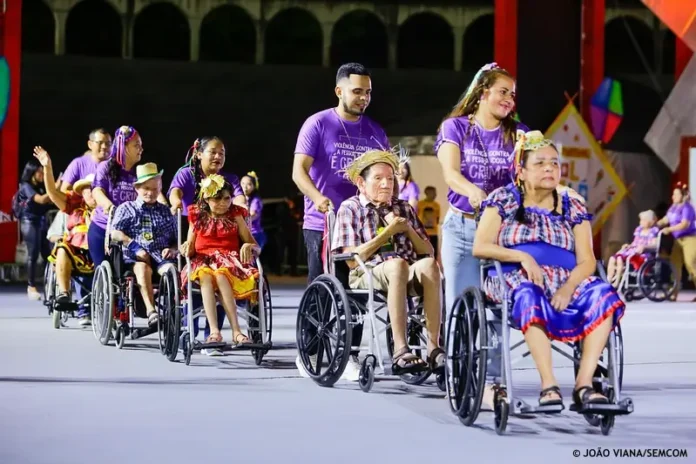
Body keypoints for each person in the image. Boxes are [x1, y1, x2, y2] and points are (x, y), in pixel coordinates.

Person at [473, 130, 625, 408]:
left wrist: (568, 288)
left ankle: (584, 385)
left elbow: (587, 260)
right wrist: (522, 257)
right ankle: (549, 386)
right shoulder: (503, 199)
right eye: (540, 163)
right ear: (521, 171)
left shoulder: (572, 204)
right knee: (529, 293)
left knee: (604, 294)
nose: (549, 168)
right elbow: (480, 246)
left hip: (566, 279)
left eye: (554, 163)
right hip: (513, 276)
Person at [292, 62, 390, 380]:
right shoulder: (318, 124)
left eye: (368, 92)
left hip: (362, 225)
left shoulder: (375, 131)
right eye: (357, 91)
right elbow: (298, 172)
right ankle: (309, 350)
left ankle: (349, 355)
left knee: (357, 290)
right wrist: (318, 198)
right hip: (323, 222)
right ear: (339, 91)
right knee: (322, 288)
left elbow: (386, 174)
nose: (364, 98)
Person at [332, 149, 445, 374]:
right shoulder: (350, 208)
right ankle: (400, 350)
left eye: (391, 179)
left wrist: (406, 227)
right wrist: (387, 233)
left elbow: (427, 250)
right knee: (397, 265)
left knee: (430, 265)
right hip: (366, 272)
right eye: (378, 178)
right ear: (361, 183)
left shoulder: (403, 207)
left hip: (405, 270)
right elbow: (352, 260)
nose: (386, 184)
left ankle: (434, 348)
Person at [168, 137, 244, 352]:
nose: (218, 156)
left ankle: (214, 335)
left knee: (222, 275)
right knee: (200, 278)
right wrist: (176, 201)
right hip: (192, 227)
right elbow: (175, 191)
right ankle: (190, 332)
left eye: (222, 153)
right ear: (199, 154)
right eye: (213, 152)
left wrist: (241, 207)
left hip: (222, 231)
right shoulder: (187, 174)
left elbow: (239, 197)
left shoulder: (229, 178)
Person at [180, 174, 259, 347]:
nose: (223, 203)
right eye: (217, 199)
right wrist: (186, 246)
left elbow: (255, 245)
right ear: (206, 199)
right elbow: (190, 247)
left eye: (227, 198)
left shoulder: (236, 215)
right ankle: (214, 332)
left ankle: (237, 332)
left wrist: (248, 246)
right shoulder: (197, 215)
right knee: (206, 276)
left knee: (222, 275)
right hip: (202, 261)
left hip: (228, 261)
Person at [34, 146, 96, 325]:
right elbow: (53, 194)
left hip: (99, 250)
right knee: (62, 247)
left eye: (95, 189)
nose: (91, 192)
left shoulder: (105, 208)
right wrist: (47, 167)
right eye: (87, 189)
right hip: (76, 251)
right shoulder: (74, 204)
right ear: (82, 192)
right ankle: (64, 293)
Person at [111, 163, 178, 326]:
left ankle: (175, 313)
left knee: (172, 271)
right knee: (143, 269)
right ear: (137, 188)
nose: (151, 193)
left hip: (160, 256)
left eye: (155, 189)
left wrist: (172, 249)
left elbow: (176, 240)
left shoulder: (165, 211)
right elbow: (115, 233)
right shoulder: (127, 208)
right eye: (146, 188)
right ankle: (151, 311)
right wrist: (135, 247)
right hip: (136, 257)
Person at [88, 125, 142, 267]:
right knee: (105, 271)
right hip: (103, 229)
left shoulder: (139, 172)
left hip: (130, 232)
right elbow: (97, 190)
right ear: (124, 147)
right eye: (136, 145)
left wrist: (166, 206)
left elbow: (154, 192)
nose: (141, 149)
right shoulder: (105, 167)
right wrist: (109, 206)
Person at [16, 160, 54, 300]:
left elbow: (48, 201)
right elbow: (42, 200)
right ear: (32, 172)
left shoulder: (40, 187)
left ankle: (49, 284)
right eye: (39, 172)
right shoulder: (26, 186)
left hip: (41, 222)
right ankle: (31, 286)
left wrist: (55, 192)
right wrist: (55, 188)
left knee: (47, 254)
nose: (42, 174)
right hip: (29, 222)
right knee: (33, 254)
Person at [657, 182, 696, 301]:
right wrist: (656, 224)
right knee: (674, 266)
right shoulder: (673, 207)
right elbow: (666, 219)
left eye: (676, 194)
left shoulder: (687, 208)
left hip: (689, 238)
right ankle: (673, 293)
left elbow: (685, 224)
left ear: (683, 196)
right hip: (677, 240)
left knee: (691, 264)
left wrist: (669, 229)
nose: (673, 197)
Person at [607, 210, 659, 286]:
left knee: (619, 259)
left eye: (643, 220)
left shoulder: (653, 231)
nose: (641, 222)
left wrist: (644, 247)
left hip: (643, 254)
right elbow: (634, 243)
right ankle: (609, 279)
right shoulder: (639, 230)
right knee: (613, 258)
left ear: (651, 222)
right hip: (633, 251)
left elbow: (655, 245)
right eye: (641, 220)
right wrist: (629, 246)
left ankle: (617, 282)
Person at [59, 128, 112, 192]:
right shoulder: (78, 163)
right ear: (90, 144)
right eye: (100, 143)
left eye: (108, 143)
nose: (104, 146)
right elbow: (64, 189)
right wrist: (83, 194)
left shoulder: (116, 165)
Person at [241, 172, 266, 250]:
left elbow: (253, 215)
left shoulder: (256, 200)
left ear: (254, 186)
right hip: (243, 234)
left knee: (251, 256)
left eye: (249, 184)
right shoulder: (238, 198)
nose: (245, 186)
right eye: (242, 183)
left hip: (254, 235)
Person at [417, 186, 441, 258]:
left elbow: (437, 219)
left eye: (435, 193)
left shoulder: (437, 205)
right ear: (426, 193)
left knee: (434, 254)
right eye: (433, 193)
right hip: (422, 233)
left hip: (433, 234)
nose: (435, 195)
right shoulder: (420, 204)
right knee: (423, 254)